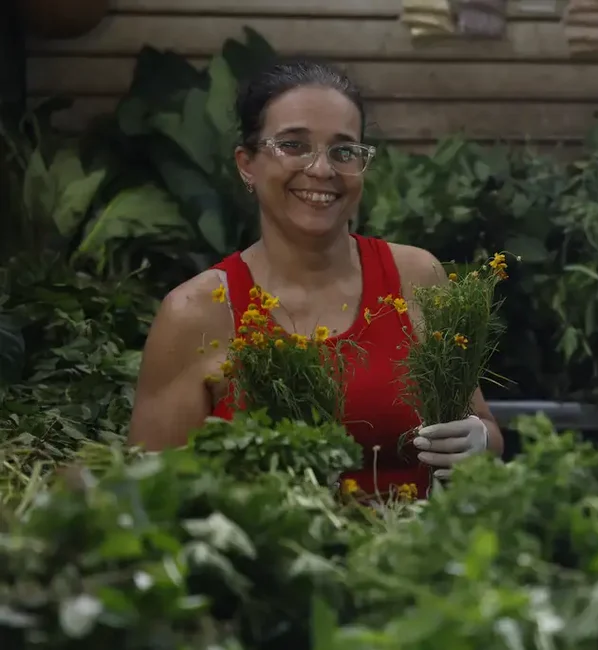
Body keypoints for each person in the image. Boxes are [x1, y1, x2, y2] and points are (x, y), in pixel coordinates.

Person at [128, 59, 503, 498]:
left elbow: (484, 429)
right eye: (293, 145)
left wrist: (480, 442)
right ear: (246, 164)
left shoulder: (415, 276)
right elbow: (147, 492)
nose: (322, 170)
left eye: (344, 151)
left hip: (415, 557)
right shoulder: (197, 312)